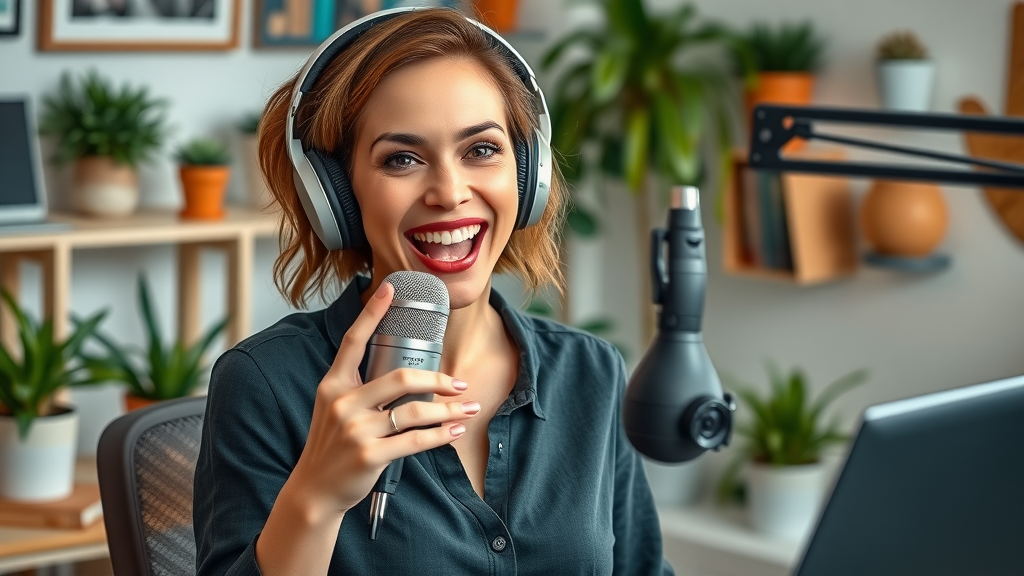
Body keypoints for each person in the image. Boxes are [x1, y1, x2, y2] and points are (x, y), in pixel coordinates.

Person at [193, 7, 673, 575]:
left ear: (527, 173)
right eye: (402, 159)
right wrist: (316, 499)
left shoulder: (591, 372)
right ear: (338, 198)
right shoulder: (268, 384)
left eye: (481, 149)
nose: (449, 192)